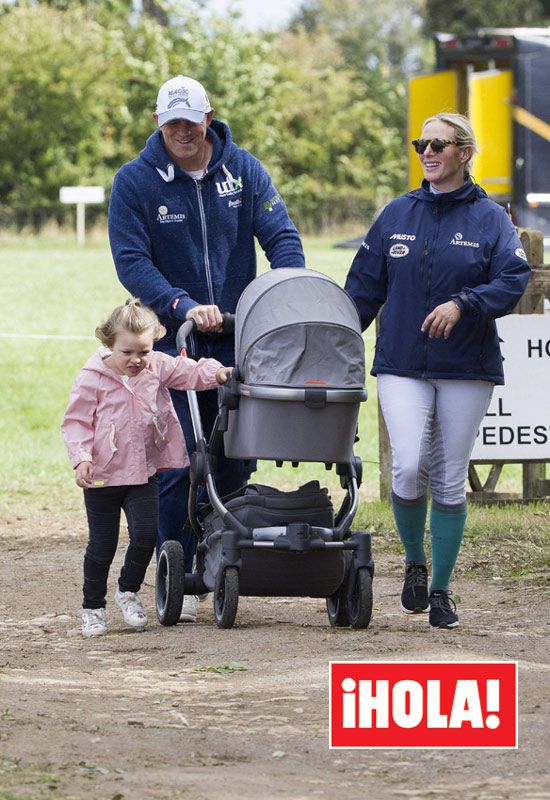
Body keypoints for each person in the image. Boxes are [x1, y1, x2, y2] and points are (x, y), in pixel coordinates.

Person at [108, 75, 305, 622]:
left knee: (235, 458)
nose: (182, 134)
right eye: (171, 124)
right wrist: (179, 304)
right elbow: (131, 260)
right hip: (173, 345)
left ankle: (226, 560)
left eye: (191, 124)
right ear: (157, 123)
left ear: (209, 117)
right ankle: (181, 571)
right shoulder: (135, 182)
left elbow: (281, 236)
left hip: (242, 342)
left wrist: (288, 290)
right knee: (179, 462)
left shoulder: (243, 171)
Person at [345, 112, 530, 629]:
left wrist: (465, 303)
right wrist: (332, 340)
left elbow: (513, 279)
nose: (426, 152)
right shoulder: (396, 214)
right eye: (420, 143)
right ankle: (414, 562)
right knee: (407, 467)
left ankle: (443, 591)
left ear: (464, 152)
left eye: (438, 144)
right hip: (403, 361)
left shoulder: (491, 218)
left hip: (465, 366)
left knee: (449, 479)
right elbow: (361, 290)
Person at [61, 298, 232, 638]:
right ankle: (93, 607)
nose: (137, 360)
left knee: (144, 537)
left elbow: (188, 371)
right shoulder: (91, 378)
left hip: (142, 472)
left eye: (144, 351)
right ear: (108, 344)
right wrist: (81, 458)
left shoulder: (155, 366)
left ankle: (128, 591)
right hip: (102, 477)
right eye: (127, 353)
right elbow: (76, 422)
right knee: (102, 545)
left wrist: (218, 372)